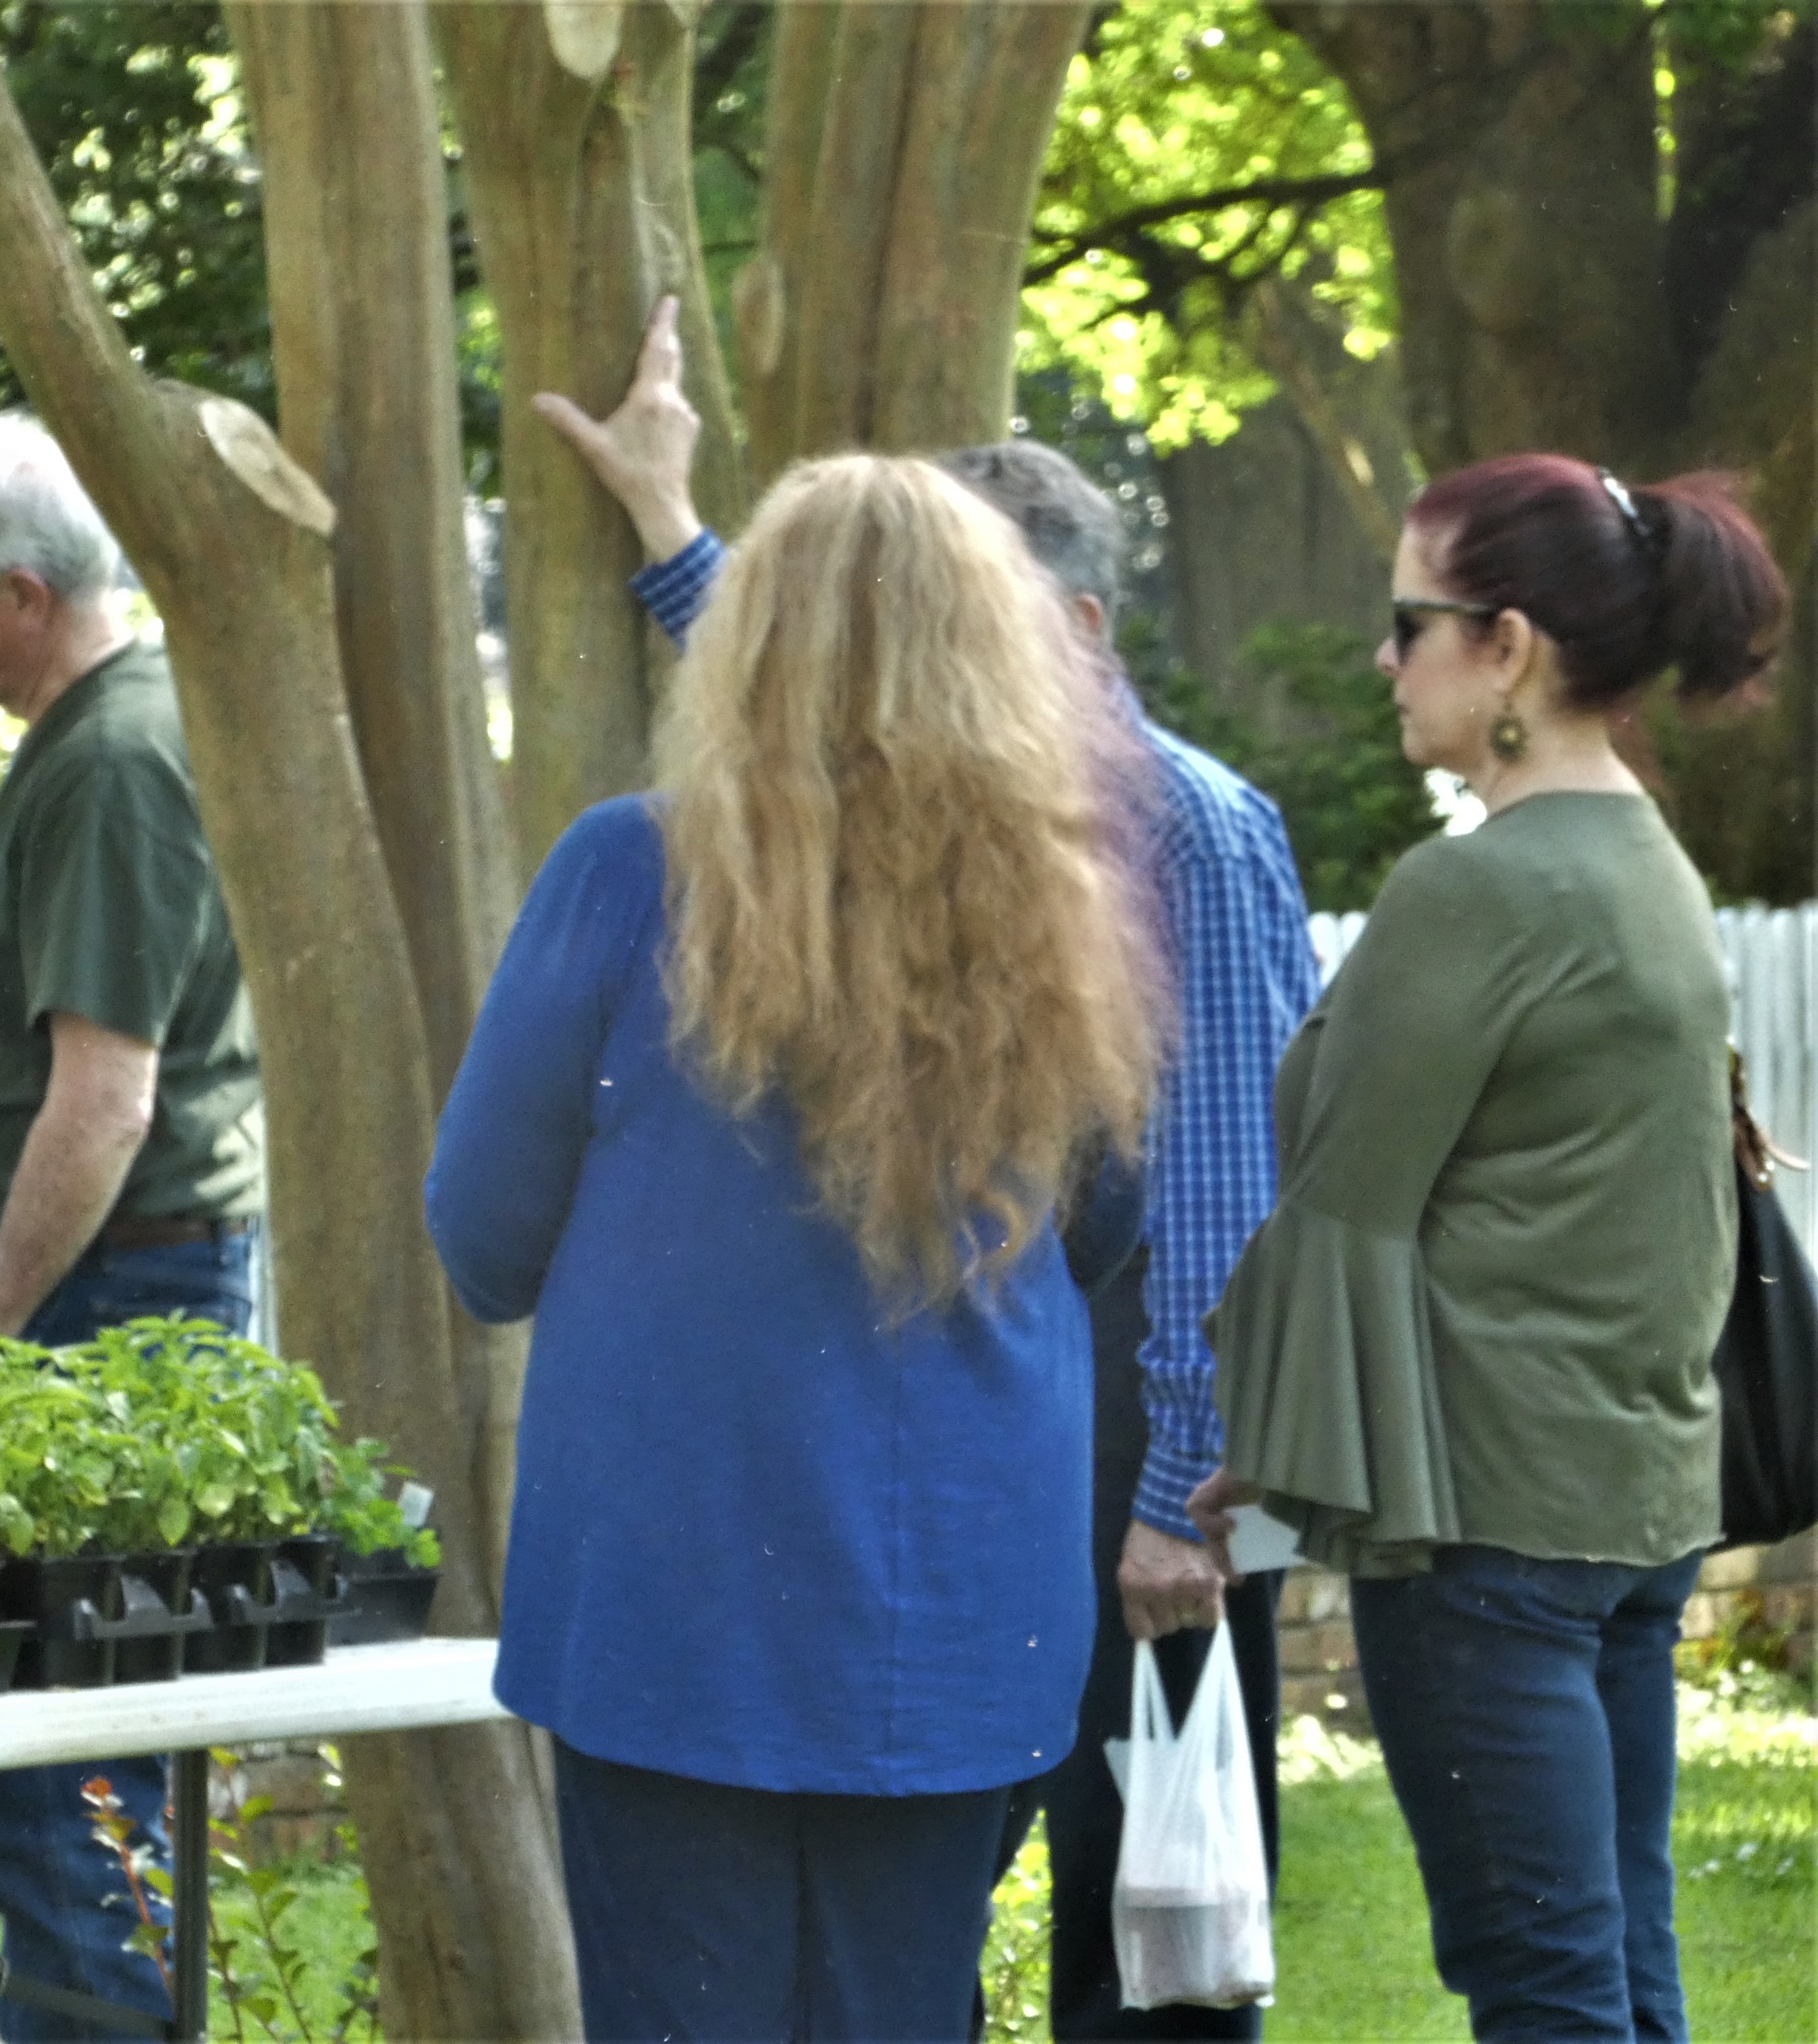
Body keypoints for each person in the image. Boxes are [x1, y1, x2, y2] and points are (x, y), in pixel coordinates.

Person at [539, 300, 1317, 2037]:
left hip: (1139, 1449)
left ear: (1078, 625)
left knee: (1154, 1951)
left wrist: (1186, 1492)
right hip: (1004, 1419)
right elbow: (827, 685)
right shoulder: (944, 822)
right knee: (919, 1944)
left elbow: (1217, 1196)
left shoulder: (1169, 822)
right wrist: (678, 535)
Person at [428, 452, 1166, 2042]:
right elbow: (1112, 1229)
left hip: (672, 1595)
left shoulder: (629, 871)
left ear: (747, 640)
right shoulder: (1070, 897)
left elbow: (482, 1237)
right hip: (962, 1590)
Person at [1194, 454, 1790, 2044]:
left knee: (1544, 1990)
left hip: (1488, 1537)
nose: (1390, 659)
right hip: (1624, 1515)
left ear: (1507, 644)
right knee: (1621, 1973)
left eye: (1412, 624)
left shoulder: (1480, 890)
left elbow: (1342, 1202)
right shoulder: (1643, 859)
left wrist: (1256, 1434)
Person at [0, 412, 265, 2041]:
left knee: (61, 1778)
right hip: (125, 1279)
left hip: (108, 1293)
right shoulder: (116, 722)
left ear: (20, 595)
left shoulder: (112, 761)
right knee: (78, 1776)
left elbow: (101, 1101)